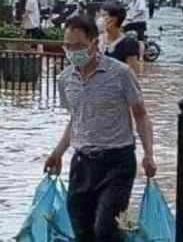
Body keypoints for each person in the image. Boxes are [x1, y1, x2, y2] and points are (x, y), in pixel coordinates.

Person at [44, 16, 156, 242]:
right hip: (82, 164)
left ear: (94, 44)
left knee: (105, 230)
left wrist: (149, 154)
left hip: (117, 163)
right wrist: (57, 153)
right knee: (82, 232)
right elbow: (76, 120)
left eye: (79, 46)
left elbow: (141, 115)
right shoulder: (65, 80)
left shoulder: (120, 73)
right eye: (68, 46)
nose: (73, 51)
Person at [98, 3, 141, 74]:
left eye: (104, 15)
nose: (100, 19)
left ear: (113, 20)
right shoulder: (96, 40)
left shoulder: (128, 43)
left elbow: (133, 74)